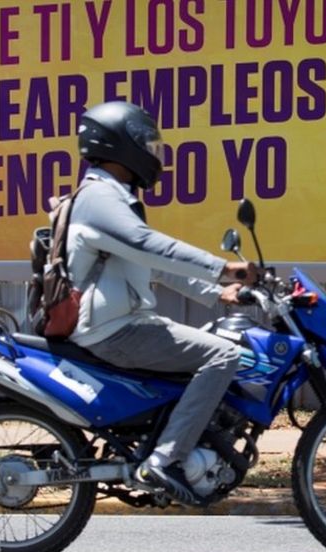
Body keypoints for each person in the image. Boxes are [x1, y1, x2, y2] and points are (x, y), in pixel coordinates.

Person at [65, 101, 258, 505]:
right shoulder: (100, 198)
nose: (154, 155)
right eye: (147, 144)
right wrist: (222, 269)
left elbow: (151, 264)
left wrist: (214, 291)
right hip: (114, 329)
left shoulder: (111, 197)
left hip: (121, 323)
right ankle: (166, 461)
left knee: (211, 344)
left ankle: (174, 442)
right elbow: (149, 247)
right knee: (223, 355)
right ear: (121, 145)